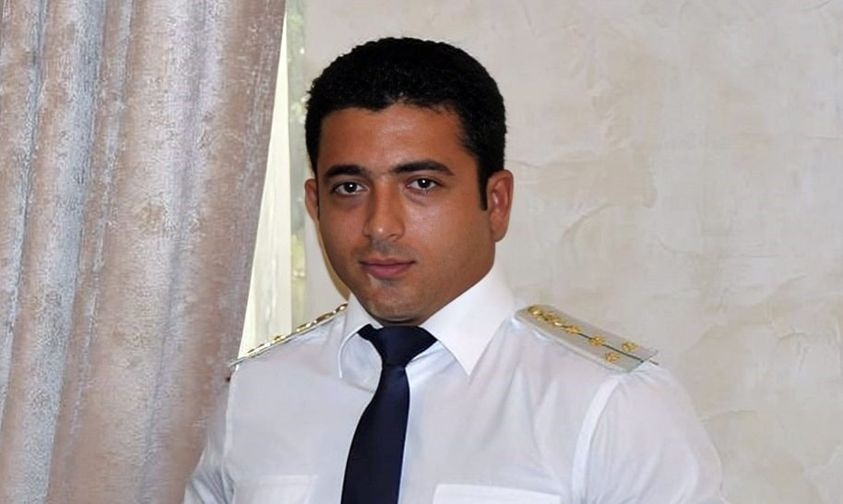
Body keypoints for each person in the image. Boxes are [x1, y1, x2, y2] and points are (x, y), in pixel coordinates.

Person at [184, 37, 727, 503]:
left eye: (421, 184)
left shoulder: (610, 405)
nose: (380, 225)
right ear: (315, 204)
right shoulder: (257, 394)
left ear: (496, 202)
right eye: (349, 187)